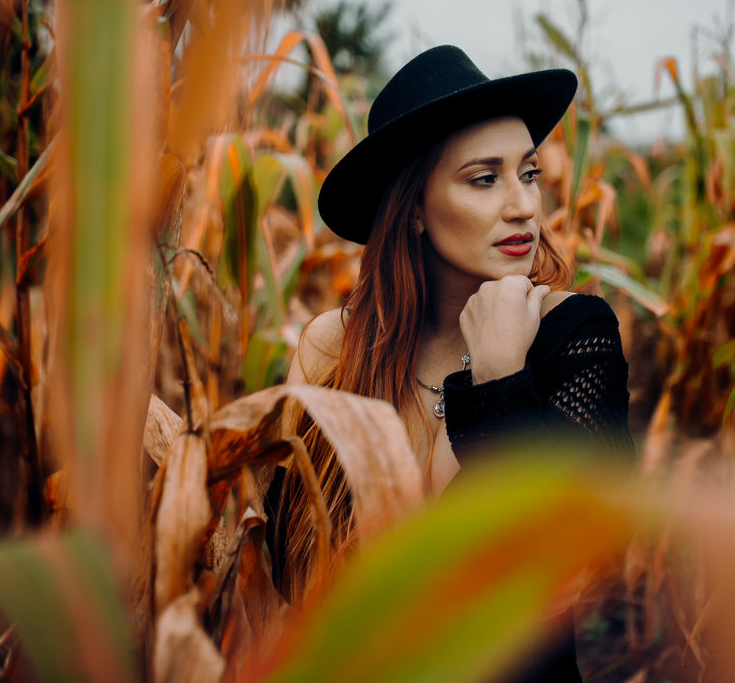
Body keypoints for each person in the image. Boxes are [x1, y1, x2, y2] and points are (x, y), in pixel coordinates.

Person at [264, 45, 634, 681]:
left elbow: (582, 559)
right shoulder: (333, 349)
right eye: (484, 178)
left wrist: (499, 381)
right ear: (411, 208)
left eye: (529, 172)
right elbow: (290, 563)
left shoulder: (574, 334)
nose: (522, 206)